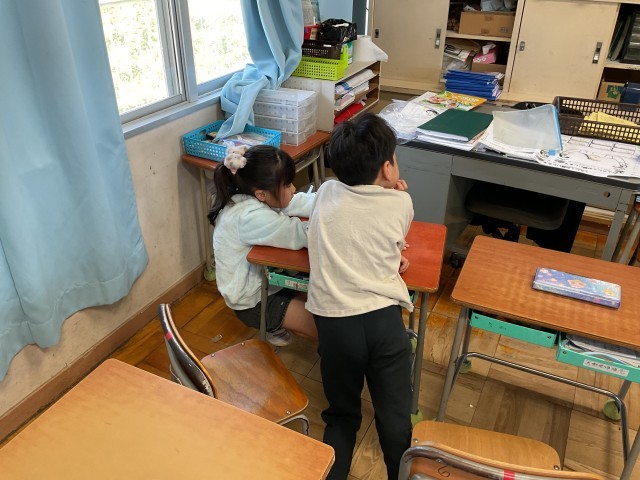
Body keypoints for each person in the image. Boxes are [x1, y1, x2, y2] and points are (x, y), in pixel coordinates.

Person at [306, 113, 414, 480]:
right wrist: (393, 191)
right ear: (387, 168)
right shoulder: (402, 203)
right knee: (395, 420)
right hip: (384, 322)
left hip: (334, 324)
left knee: (341, 416)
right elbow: (389, 241)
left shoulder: (325, 191)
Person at [208, 144, 318, 346]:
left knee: (322, 302)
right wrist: (336, 221)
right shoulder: (249, 216)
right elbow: (298, 233)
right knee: (326, 328)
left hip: (267, 284)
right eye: (288, 185)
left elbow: (295, 202)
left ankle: (280, 322)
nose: (293, 189)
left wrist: (329, 201)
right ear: (261, 194)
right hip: (253, 302)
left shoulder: (251, 194)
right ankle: (271, 323)